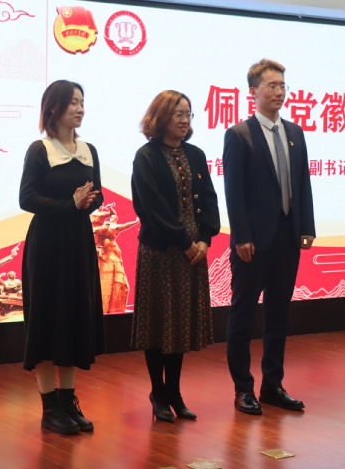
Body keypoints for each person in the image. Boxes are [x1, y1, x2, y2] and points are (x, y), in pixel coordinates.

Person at [222, 59, 315, 415]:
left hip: (287, 238)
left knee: (278, 315)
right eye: (272, 86)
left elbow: (302, 183)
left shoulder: (295, 132)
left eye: (282, 86)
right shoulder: (239, 134)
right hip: (253, 243)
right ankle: (243, 388)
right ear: (253, 92)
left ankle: (273, 385)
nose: (279, 92)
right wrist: (241, 236)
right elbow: (234, 191)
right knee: (243, 315)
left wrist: (306, 226)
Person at [19, 80, 104, 435]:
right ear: (54, 108)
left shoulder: (88, 149)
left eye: (82, 102)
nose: (80, 109)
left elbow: (97, 195)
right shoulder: (40, 150)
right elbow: (27, 198)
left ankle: (68, 402)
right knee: (46, 319)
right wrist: (70, 203)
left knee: (73, 318)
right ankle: (49, 407)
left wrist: (87, 202)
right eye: (73, 103)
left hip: (78, 242)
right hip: (47, 244)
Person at [131, 90, 220, 422]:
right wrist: (185, 242)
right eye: (178, 114)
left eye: (188, 114)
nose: (184, 120)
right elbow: (151, 209)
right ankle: (158, 393)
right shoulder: (146, 156)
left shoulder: (195, 154)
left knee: (179, 326)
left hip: (193, 253)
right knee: (158, 325)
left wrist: (205, 239)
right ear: (161, 117)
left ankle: (175, 393)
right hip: (161, 251)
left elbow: (209, 199)